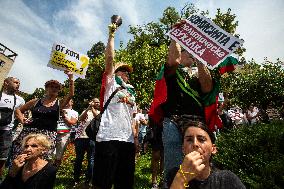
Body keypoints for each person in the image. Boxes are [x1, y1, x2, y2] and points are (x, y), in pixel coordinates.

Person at [149, 20, 214, 188]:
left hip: (197, 122)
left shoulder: (201, 71)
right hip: (173, 121)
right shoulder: (172, 71)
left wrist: (200, 58)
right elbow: (173, 60)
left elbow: (207, 88)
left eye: (192, 52)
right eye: (188, 51)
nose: (190, 54)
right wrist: (175, 35)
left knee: (200, 163)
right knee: (173, 166)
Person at [92, 20, 138, 189]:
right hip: (108, 136)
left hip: (127, 140)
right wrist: (112, 34)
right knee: (102, 182)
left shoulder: (132, 91)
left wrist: (135, 138)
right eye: (122, 70)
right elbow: (110, 59)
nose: (126, 72)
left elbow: (133, 117)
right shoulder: (111, 82)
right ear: (115, 72)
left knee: (124, 182)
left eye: (127, 71)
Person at [13, 70, 74, 160]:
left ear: (59, 90)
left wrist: (71, 78)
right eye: (51, 86)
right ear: (46, 88)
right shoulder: (35, 101)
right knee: (21, 158)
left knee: (40, 161)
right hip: (29, 133)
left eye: (56, 87)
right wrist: (22, 120)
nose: (54, 88)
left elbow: (71, 94)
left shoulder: (60, 103)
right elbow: (18, 110)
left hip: (47, 136)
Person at [168, 121, 246, 189]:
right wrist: (182, 178)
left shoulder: (226, 179)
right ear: (183, 149)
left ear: (213, 149)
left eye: (201, 139)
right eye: (189, 140)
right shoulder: (173, 176)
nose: (195, 144)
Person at [0, 77, 25, 181]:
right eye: (15, 82)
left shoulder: (20, 100)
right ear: (6, 83)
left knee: (2, 159)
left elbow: (20, 114)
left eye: (19, 83)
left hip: (6, 132)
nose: (18, 84)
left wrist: (23, 121)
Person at [73, 98, 100, 187]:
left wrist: (92, 109)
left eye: (98, 102)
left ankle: (88, 180)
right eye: (95, 101)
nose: (97, 103)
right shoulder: (86, 111)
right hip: (81, 138)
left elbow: (98, 118)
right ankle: (76, 179)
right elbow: (80, 119)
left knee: (91, 160)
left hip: (92, 139)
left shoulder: (99, 112)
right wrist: (88, 108)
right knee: (78, 159)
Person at [54, 98, 78, 167]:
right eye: (66, 100)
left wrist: (63, 115)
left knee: (58, 156)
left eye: (69, 101)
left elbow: (72, 123)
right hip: (53, 132)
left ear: (72, 102)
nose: (66, 102)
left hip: (64, 134)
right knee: (49, 154)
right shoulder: (56, 109)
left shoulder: (74, 112)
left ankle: (54, 172)